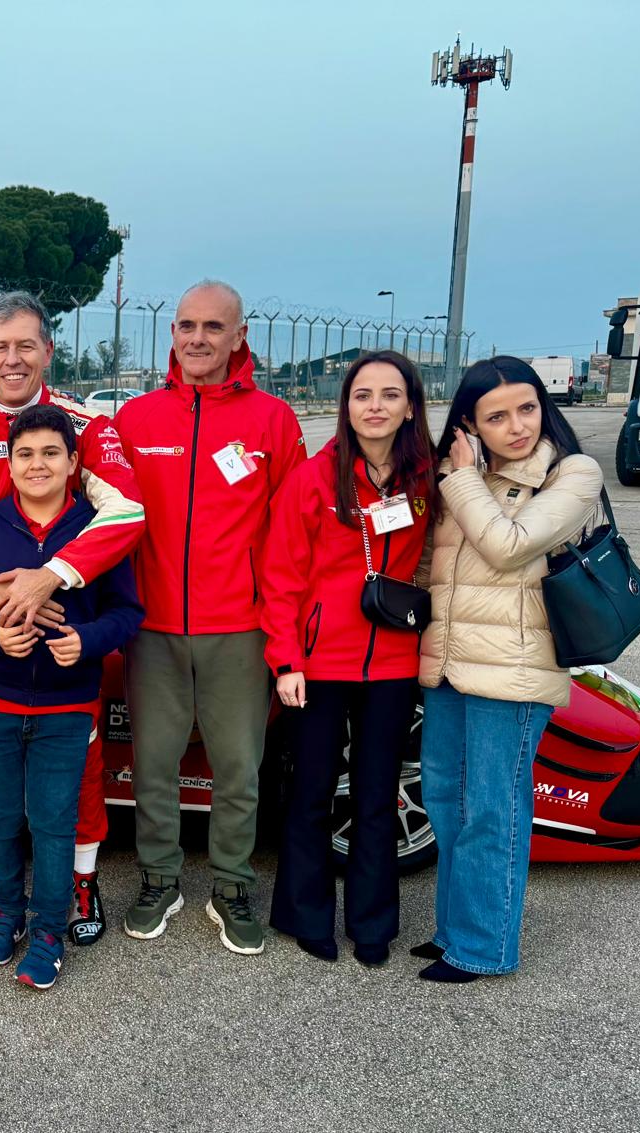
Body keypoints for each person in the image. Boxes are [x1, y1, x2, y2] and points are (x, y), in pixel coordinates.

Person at [0, 290, 144, 941]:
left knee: (83, 767)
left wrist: (52, 577)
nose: (13, 358)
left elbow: (127, 512)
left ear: (47, 349)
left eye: (26, 345)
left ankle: (79, 877)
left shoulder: (87, 425)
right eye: (0, 347)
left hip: (71, 655)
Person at [111, 280, 304, 953]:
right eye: (186, 325)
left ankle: (230, 884)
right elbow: (106, 525)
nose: (197, 338)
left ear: (239, 336)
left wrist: (282, 637)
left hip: (239, 630)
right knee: (155, 766)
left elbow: (290, 539)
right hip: (154, 629)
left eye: (212, 327)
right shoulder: (134, 419)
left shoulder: (274, 422)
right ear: (172, 334)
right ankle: (160, 879)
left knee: (237, 770)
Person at [414, 356, 602, 983]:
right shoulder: (460, 477)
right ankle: (451, 931)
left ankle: (484, 947)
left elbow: (508, 546)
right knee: (446, 803)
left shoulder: (570, 474)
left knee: (494, 808)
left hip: (514, 674)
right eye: (497, 416)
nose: (518, 426)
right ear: (470, 423)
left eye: (527, 409)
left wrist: (460, 481)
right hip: (448, 669)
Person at [0, 405, 144, 989]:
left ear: (74, 462)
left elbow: (127, 613)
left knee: (54, 822)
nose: (38, 464)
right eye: (25, 453)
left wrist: (85, 643)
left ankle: (50, 930)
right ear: (9, 464)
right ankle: (8, 914)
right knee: (2, 818)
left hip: (66, 704)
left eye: (51, 453)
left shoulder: (96, 530)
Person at [260, 351, 435, 966]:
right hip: (317, 663)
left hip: (391, 662)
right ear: (346, 405)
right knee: (309, 794)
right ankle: (306, 917)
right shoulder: (314, 478)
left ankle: (372, 924)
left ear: (410, 405)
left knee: (375, 795)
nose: (376, 406)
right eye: (363, 395)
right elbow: (280, 575)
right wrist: (286, 661)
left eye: (390, 395)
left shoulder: (425, 480)